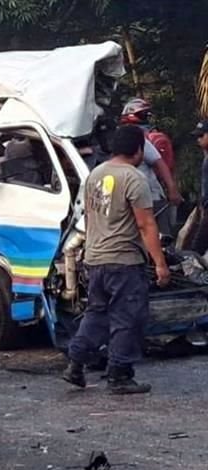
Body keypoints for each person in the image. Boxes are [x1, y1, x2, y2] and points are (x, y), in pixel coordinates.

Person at [63, 125, 170, 395]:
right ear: (137, 151)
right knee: (128, 317)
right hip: (124, 261)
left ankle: (75, 363)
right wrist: (160, 263)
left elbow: (90, 215)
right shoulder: (134, 179)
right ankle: (119, 374)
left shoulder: (94, 175)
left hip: (95, 258)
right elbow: (146, 225)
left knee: (97, 313)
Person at [119, 100, 182, 236]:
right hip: (137, 199)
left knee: (162, 238)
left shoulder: (140, 139)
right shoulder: (135, 138)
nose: (147, 118)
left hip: (150, 198)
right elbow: (160, 163)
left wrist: (172, 189)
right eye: (144, 115)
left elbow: (159, 162)